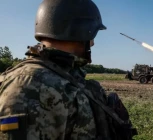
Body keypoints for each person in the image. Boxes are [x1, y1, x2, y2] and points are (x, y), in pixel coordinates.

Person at [0, 0, 137, 140]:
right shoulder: (28, 85)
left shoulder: (63, 76)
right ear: (79, 30)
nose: (93, 43)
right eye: (92, 35)